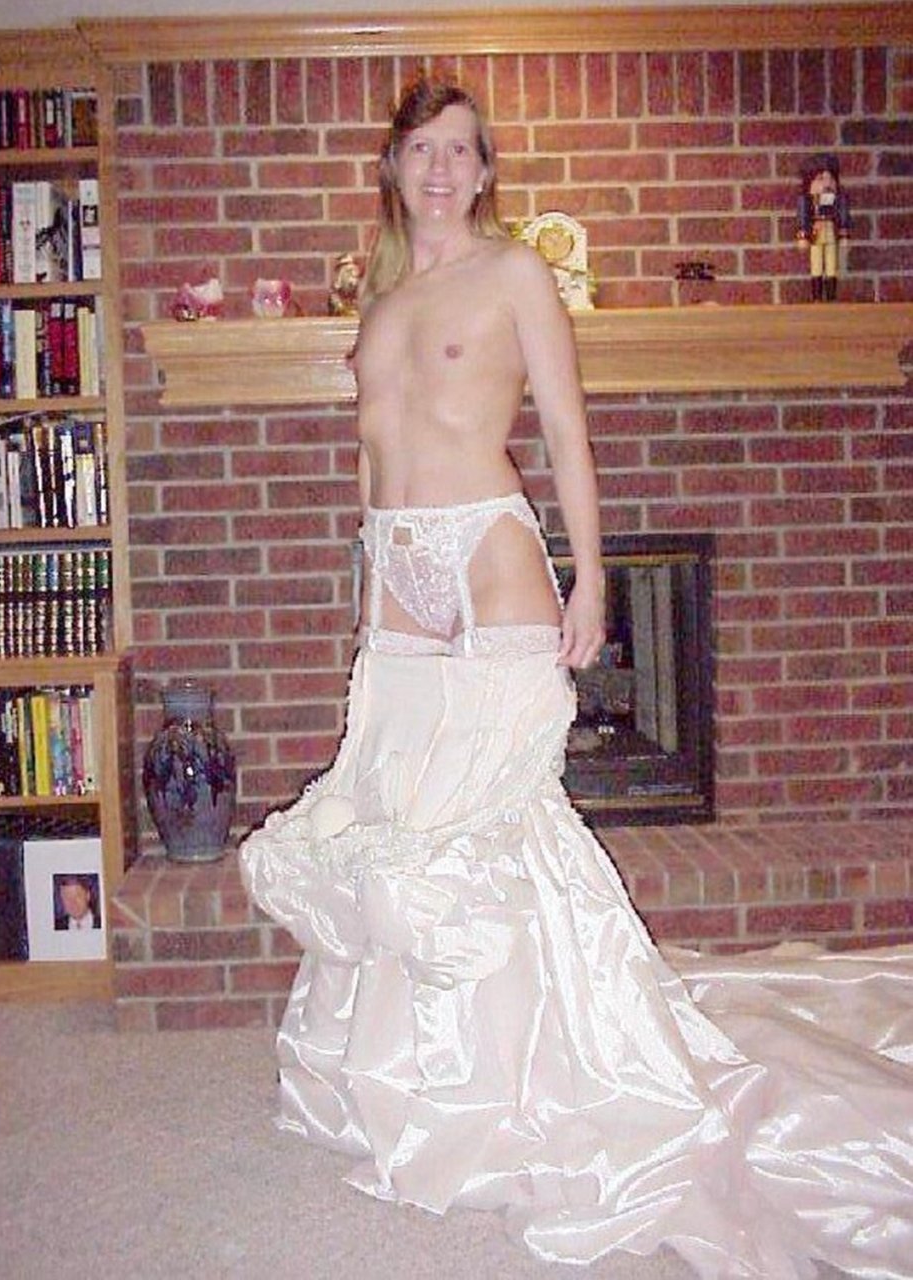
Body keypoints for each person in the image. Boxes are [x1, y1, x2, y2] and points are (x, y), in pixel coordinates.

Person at [242, 77, 913, 1278]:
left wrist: (591, 576)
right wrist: (370, 574)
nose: (441, 169)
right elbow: (370, 449)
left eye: (461, 151)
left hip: (488, 547)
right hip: (396, 562)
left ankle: (545, 1071)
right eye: (421, 149)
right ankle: (427, 1075)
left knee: (498, 814)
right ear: (393, 166)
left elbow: (563, 427)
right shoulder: (379, 299)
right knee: (399, 812)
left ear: (484, 171)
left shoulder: (514, 275)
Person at [796, 151, 851, 301]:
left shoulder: (838, 200)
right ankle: (817, 297)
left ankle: (831, 296)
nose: (827, 184)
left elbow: (843, 217)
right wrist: (803, 236)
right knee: (816, 265)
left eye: (830, 178)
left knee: (832, 265)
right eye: (821, 179)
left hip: (831, 232)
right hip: (816, 234)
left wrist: (844, 235)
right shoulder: (806, 201)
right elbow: (803, 218)